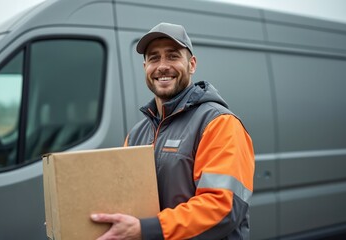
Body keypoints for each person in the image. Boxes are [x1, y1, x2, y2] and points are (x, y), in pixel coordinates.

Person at [91, 22, 255, 240]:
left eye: (173, 56)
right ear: (145, 68)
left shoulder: (218, 124)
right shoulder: (137, 133)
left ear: (192, 64)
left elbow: (222, 207)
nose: (162, 66)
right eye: (154, 58)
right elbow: (125, 198)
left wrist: (147, 230)